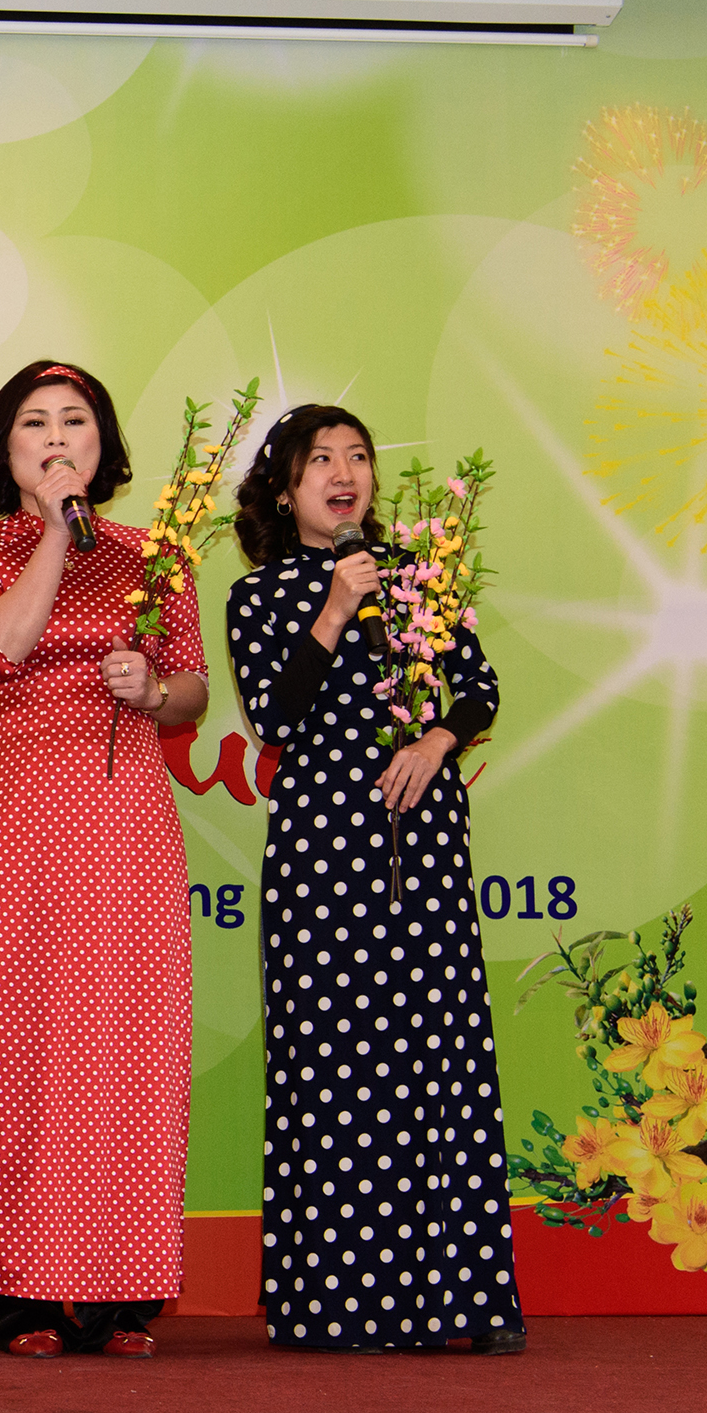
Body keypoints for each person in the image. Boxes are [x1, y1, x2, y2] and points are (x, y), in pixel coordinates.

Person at [227, 405, 524, 1354]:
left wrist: (437, 741)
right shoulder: (258, 596)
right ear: (285, 490)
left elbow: (478, 688)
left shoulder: (417, 580)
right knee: (337, 1066)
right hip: (323, 854)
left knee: (440, 1056)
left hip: (423, 841)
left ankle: (461, 1301)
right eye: (320, 460)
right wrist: (332, 608)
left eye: (356, 457)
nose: (344, 473)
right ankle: (341, 1302)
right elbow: (274, 716)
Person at [0, 359, 208, 1357]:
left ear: (103, 443)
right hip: (28, 822)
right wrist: (55, 529)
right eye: (35, 424)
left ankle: (119, 1294)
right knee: (29, 1045)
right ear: (3, 451)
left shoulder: (156, 555)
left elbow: (194, 690)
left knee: (129, 1046)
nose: (56, 437)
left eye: (75, 421)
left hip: (129, 817)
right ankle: (21, 1292)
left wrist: (152, 693)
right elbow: (1, 646)